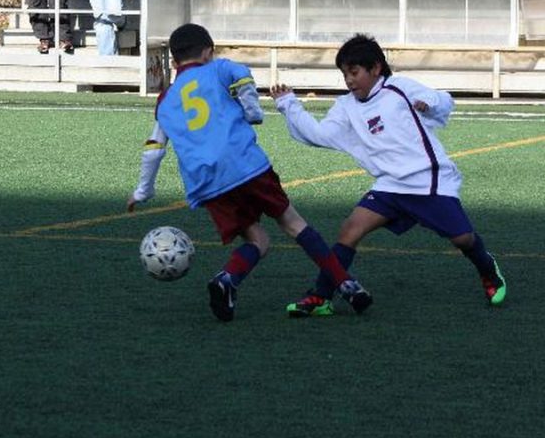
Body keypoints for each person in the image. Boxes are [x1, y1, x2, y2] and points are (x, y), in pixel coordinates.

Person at [127, 23, 373, 322]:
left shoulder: (165, 99)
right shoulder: (218, 69)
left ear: (175, 60)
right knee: (293, 224)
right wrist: (252, 109)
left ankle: (227, 279)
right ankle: (346, 284)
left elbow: (153, 148)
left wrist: (143, 190)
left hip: (208, 184)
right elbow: (241, 73)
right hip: (245, 164)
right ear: (208, 52)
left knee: (258, 241)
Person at [270, 34, 507, 317]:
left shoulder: (399, 88)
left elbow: (442, 101)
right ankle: (322, 296)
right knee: (350, 229)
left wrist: (429, 105)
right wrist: (289, 105)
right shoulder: (345, 106)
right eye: (344, 73)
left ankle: (487, 269)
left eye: (354, 72)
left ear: (376, 68)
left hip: (427, 181)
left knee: (462, 239)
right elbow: (319, 134)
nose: (349, 80)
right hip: (389, 185)